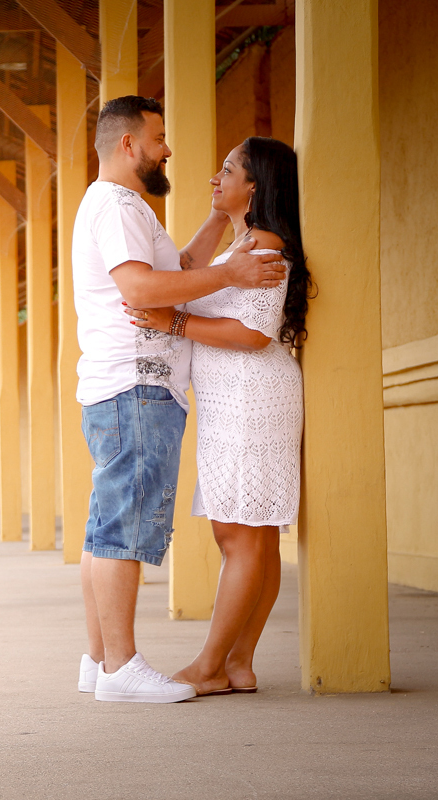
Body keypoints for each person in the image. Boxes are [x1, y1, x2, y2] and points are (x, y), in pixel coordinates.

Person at [72, 97, 287, 703]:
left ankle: (99, 661)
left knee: (105, 529)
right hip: (136, 384)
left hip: (128, 386)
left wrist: (218, 228)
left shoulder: (126, 207)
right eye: (160, 137)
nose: (169, 149)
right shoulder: (116, 206)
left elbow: (181, 269)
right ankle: (121, 669)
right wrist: (230, 275)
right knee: (123, 530)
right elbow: (142, 289)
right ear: (129, 145)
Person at [126, 137, 311, 696]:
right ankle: (239, 664)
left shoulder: (265, 246)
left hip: (254, 399)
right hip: (233, 403)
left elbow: (254, 336)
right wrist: (218, 212)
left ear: (254, 186)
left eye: (227, 170)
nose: (213, 176)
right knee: (250, 535)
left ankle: (211, 665)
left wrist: (172, 325)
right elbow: (187, 271)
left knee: (242, 535)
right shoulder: (242, 243)